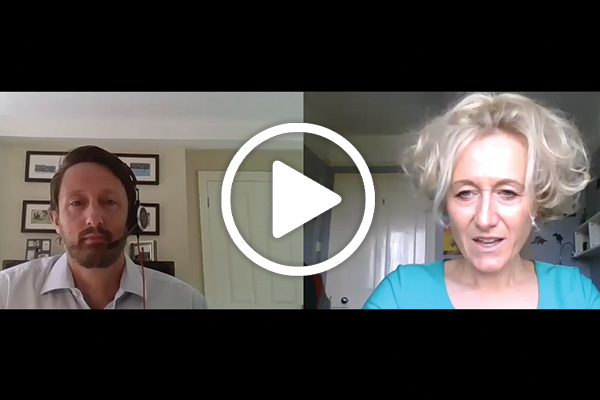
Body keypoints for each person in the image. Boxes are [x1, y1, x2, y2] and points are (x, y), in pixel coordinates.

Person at [363, 92, 600, 309]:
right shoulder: (401, 294)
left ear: (537, 201)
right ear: (446, 202)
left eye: (507, 192)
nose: (485, 219)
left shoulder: (576, 295)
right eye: (465, 193)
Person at [0, 145, 208, 309]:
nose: (94, 219)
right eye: (76, 203)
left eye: (109, 202)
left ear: (131, 217)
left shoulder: (185, 302)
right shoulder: (6, 292)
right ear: (56, 221)